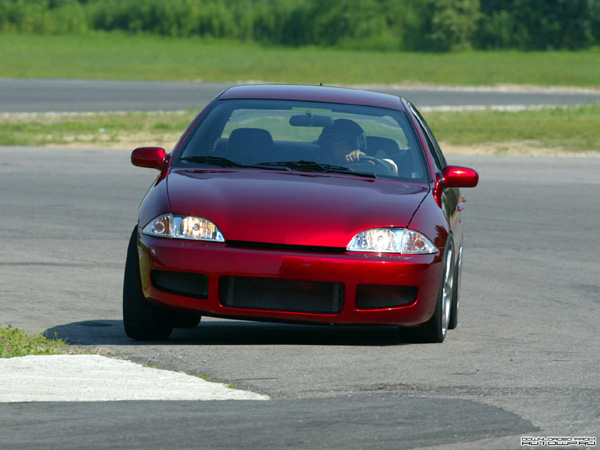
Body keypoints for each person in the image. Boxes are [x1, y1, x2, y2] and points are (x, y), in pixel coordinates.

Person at [317, 119, 398, 174]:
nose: (340, 151)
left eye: (344, 145)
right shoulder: (322, 170)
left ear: (355, 145)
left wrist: (368, 162)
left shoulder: (370, 164)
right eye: (334, 147)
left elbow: (391, 167)